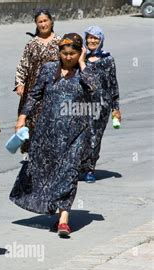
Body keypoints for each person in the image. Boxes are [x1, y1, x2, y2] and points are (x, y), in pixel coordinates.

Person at [10, 33, 100, 238]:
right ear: (58, 52)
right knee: (48, 173)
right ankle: (53, 207)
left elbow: (95, 90)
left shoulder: (86, 72)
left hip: (76, 133)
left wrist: (83, 62)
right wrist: (22, 118)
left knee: (69, 173)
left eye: (73, 53)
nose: (68, 57)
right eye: (64, 52)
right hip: (46, 132)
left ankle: (64, 219)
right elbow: (34, 95)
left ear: (80, 52)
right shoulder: (49, 69)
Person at [14, 9, 61, 153]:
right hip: (33, 89)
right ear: (36, 24)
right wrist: (20, 83)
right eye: (40, 22)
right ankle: (31, 152)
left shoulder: (60, 42)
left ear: (51, 22)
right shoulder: (31, 44)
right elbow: (23, 64)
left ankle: (51, 151)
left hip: (54, 87)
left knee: (52, 119)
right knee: (31, 121)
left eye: (45, 20)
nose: (43, 24)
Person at [80, 26, 122, 183]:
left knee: (94, 138)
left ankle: (90, 169)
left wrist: (115, 108)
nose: (92, 41)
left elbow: (113, 84)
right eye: (89, 37)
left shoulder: (108, 60)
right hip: (81, 105)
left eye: (95, 38)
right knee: (81, 137)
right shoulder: (80, 58)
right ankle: (80, 167)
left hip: (101, 106)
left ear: (101, 40)